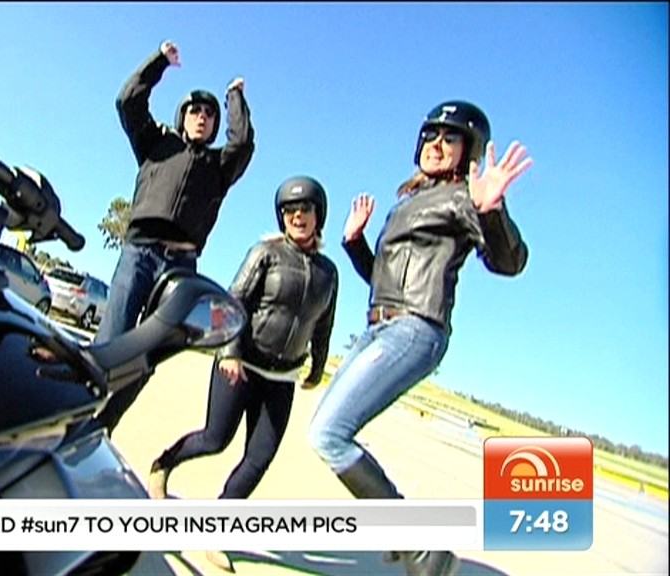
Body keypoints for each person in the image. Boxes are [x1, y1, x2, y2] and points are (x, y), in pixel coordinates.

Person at [307, 101, 532, 576]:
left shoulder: (463, 198)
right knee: (326, 429)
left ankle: (421, 545)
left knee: (328, 434)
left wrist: (491, 210)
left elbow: (508, 261)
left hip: (416, 328)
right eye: (431, 135)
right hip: (378, 326)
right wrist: (354, 244)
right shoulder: (406, 203)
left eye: (450, 138)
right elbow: (383, 281)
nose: (436, 144)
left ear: (469, 152)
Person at [149, 176, 339, 572]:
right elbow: (233, 300)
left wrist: (317, 368)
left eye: (304, 208)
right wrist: (230, 351)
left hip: (283, 377)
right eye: (289, 210)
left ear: (318, 215)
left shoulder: (328, 273)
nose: (297, 216)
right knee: (215, 439)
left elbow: (323, 326)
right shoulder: (265, 253)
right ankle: (163, 465)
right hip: (242, 364)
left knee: (259, 458)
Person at [94, 40, 255, 431]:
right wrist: (159, 62)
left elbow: (242, 143)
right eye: (195, 110)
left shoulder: (219, 166)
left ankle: (103, 426)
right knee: (112, 340)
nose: (202, 117)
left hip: (180, 268)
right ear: (182, 116)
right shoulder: (157, 144)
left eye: (210, 114)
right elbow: (127, 101)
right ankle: (77, 412)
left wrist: (234, 97)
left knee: (147, 355)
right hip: (140, 254)